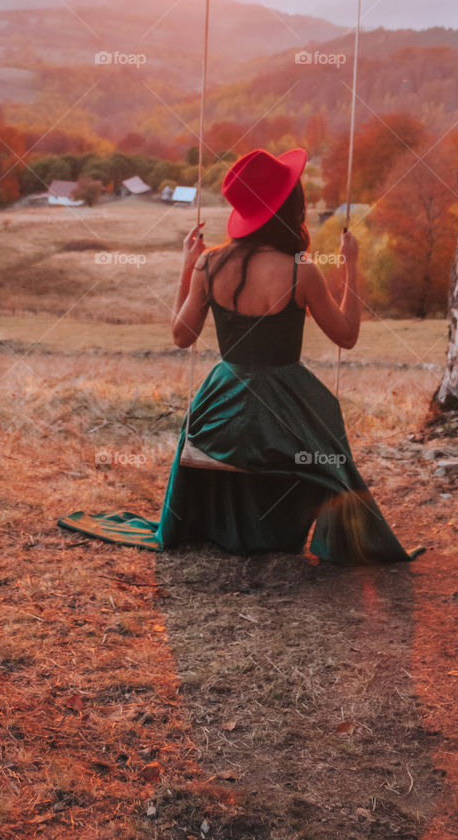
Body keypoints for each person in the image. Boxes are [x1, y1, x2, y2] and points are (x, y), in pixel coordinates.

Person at [58, 147, 424, 564]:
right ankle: (296, 530)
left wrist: (187, 266)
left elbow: (182, 336)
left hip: (221, 412)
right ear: (290, 206)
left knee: (212, 427)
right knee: (326, 428)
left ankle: (228, 526)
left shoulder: (209, 265)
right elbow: (348, 336)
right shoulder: (300, 269)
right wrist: (352, 266)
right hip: (284, 414)